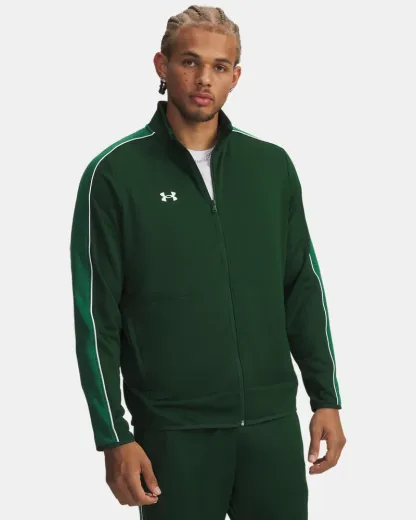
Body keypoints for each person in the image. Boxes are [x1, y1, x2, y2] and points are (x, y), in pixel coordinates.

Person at [70, 4, 346, 519]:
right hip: (174, 432)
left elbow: (302, 288)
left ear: (236, 76)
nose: (204, 79)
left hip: (270, 428)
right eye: (190, 62)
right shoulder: (115, 174)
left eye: (220, 66)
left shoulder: (271, 167)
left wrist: (325, 397)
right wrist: (114, 435)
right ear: (162, 65)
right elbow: (95, 316)